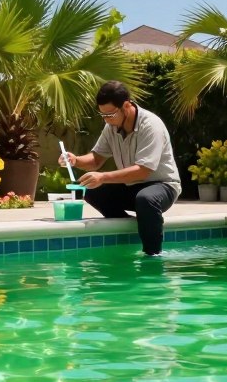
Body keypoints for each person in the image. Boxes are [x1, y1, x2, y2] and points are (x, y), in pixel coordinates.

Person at [58, 81, 181, 256]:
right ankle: (130, 226)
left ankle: (153, 255)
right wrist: (75, 160)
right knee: (93, 192)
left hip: (163, 186)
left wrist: (103, 177)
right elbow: (96, 159)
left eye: (110, 114)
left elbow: (143, 170)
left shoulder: (151, 125)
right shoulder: (111, 126)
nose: (106, 119)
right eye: (103, 115)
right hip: (132, 187)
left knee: (146, 200)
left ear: (126, 105)